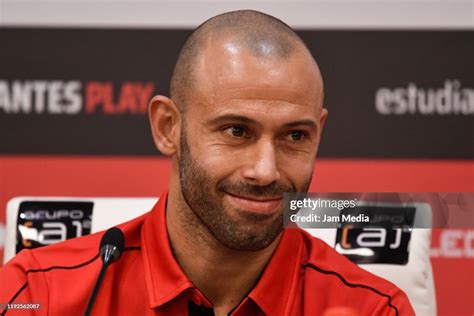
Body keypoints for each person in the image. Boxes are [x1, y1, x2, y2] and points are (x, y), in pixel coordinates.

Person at [0, 10, 415, 315]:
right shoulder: (38, 293)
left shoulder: (371, 308)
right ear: (167, 128)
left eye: (295, 136)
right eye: (237, 131)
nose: (266, 170)